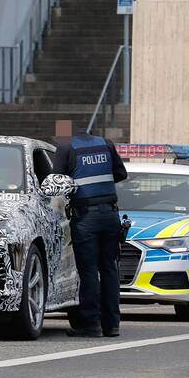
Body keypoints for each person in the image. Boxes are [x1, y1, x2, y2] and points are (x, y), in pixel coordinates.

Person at [52, 127, 127, 338]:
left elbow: (55, 182)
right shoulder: (105, 144)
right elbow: (121, 173)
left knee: (89, 271)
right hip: (111, 214)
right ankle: (112, 325)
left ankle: (91, 324)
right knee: (110, 269)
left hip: (85, 217)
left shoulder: (66, 147)